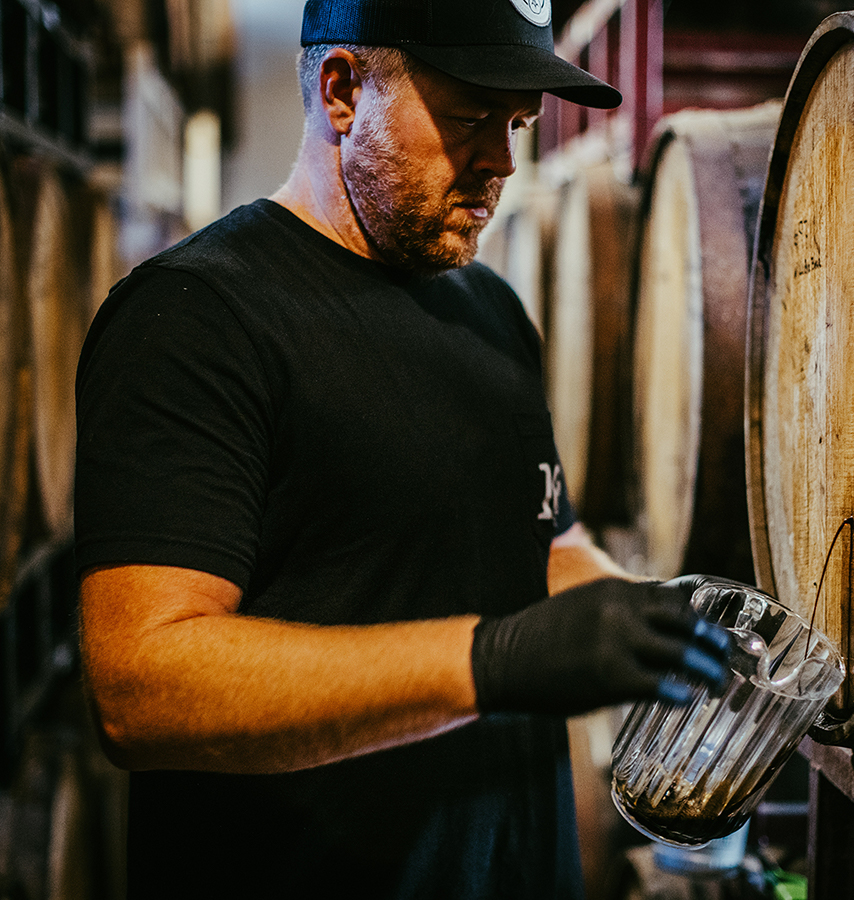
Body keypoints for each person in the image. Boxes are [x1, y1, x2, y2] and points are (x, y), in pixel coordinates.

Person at [73, 0, 736, 897]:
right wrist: (493, 662)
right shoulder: (196, 318)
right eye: (470, 117)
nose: (502, 160)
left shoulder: (493, 313)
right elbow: (140, 687)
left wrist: (670, 630)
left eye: (516, 123)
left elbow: (540, 546)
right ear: (344, 90)